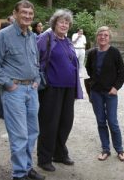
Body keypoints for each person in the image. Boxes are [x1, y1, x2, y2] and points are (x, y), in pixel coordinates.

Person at [0, 0, 45, 180]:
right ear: (15, 13)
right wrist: (10, 85)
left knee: (32, 132)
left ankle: (27, 168)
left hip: (32, 90)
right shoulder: (3, 36)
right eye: (24, 13)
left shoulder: (32, 37)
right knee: (19, 134)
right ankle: (19, 174)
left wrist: (36, 79)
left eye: (30, 14)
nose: (27, 16)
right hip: (15, 91)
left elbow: (36, 62)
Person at [36, 9, 83, 172]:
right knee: (49, 123)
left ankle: (59, 153)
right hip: (51, 88)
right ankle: (44, 158)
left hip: (68, 88)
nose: (64, 25)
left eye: (67, 23)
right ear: (54, 23)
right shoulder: (45, 38)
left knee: (65, 122)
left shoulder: (68, 41)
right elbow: (36, 59)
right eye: (61, 22)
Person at [85, 26, 124, 162]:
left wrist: (115, 88)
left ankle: (120, 150)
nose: (103, 37)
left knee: (113, 122)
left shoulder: (114, 52)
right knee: (101, 121)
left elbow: (122, 73)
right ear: (97, 37)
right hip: (96, 92)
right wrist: (94, 85)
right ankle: (105, 149)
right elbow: (88, 70)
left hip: (110, 93)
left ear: (109, 38)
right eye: (100, 35)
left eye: (106, 35)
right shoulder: (92, 53)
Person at [0, 15, 15, 119]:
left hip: (5, 68)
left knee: (2, 90)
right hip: (3, 68)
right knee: (2, 89)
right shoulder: (2, 36)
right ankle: (0, 112)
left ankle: (1, 111)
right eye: (11, 21)